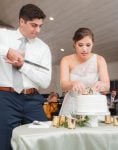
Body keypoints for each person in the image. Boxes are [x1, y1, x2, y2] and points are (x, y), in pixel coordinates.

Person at [0, 4, 52, 150]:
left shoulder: (43, 48)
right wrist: (7, 51)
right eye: (33, 25)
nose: (38, 30)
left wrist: (23, 66)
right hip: (5, 98)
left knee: (43, 140)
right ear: (21, 21)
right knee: (4, 143)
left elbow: (45, 81)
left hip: (32, 100)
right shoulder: (3, 35)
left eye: (40, 26)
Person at [59, 27, 110, 116]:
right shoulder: (66, 60)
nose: (84, 49)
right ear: (74, 44)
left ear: (92, 44)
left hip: (93, 103)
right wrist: (73, 83)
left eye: (88, 45)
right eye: (80, 45)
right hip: (72, 102)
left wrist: (102, 85)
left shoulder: (100, 59)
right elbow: (63, 86)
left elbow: (107, 86)